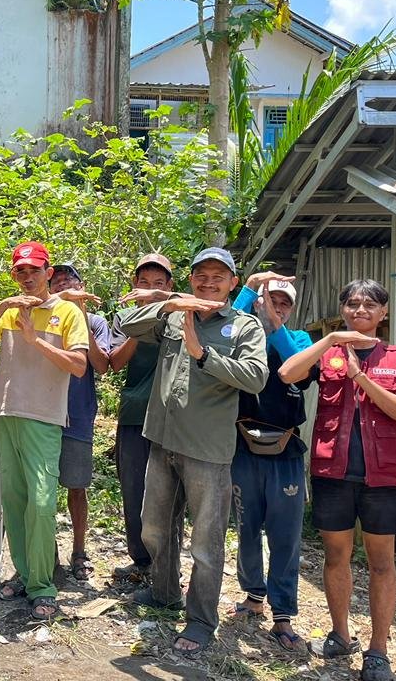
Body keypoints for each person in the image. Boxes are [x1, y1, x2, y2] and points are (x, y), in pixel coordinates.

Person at [120, 247, 268, 657]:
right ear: (190, 280)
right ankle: (164, 593)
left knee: (206, 542)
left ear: (233, 283)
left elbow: (255, 378)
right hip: (163, 440)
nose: (207, 282)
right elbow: (125, 323)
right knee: (155, 527)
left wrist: (203, 354)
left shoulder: (244, 327)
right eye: (200, 274)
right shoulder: (173, 316)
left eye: (218, 275)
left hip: (207, 450)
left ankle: (201, 620)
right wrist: (165, 302)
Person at [279, 279, 396, 681]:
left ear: (384, 313)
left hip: (383, 476)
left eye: (370, 304)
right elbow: (288, 373)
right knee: (336, 557)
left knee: (381, 563)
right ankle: (340, 635)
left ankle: (378, 650)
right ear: (343, 309)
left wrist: (361, 377)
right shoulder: (328, 356)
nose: (361, 310)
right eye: (353, 304)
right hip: (332, 472)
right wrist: (330, 342)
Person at [0, 241, 89, 620]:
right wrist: (2, 307)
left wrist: (35, 340)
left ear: (48, 273)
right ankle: (24, 575)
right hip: (7, 414)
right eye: (21, 271)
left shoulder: (67, 312)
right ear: (13, 274)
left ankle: (43, 587)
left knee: (41, 503)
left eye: (35, 270)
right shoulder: (10, 310)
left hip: (44, 417)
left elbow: (79, 366)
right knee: (15, 502)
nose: (28, 277)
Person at [228, 272, 315, 651]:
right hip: (242, 446)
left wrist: (276, 325)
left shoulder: (300, 339)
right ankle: (253, 596)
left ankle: (283, 614)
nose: (275, 306)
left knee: (285, 535)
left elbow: (298, 366)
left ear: (292, 308)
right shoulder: (244, 337)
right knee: (246, 525)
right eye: (270, 300)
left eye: (283, 302)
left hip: (286, 451)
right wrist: (250, 290)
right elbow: (226, 322)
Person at [108, 253, 174, 581]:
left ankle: (165, 567)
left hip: (173, 418)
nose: (150, 290)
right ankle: (141, 561)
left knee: (168, 495)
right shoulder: (123, 317)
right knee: (133, 489)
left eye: (158, 284)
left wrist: (162, 307)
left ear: (170, 287)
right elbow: (114, 363)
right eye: (144, 283)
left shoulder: (178, 314)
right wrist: (139, 323)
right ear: (134, 286)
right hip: (134, 412)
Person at [47, 263, 109, 582]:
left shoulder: (96, 323)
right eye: (56, 282)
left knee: (77, 485)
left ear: (82, 286)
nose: (63, 286)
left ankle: (80, 551)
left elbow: (100, 365)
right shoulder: (45, 318)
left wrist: (82, 315)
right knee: (42, 488)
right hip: (42, 413)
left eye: (69, 281)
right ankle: (47, 555)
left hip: (79, 414)